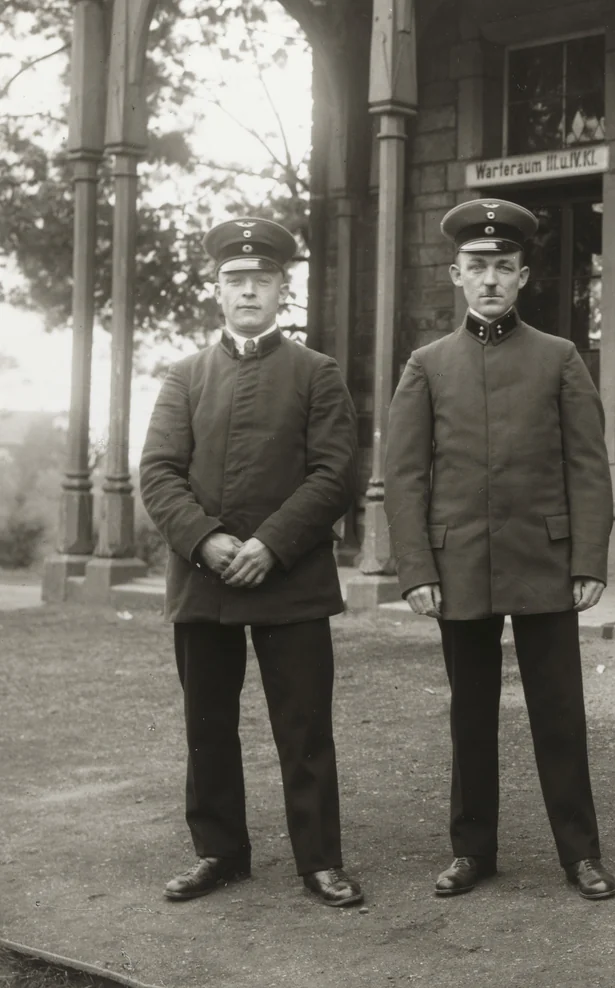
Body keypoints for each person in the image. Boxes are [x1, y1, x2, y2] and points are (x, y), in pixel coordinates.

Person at [384, 198, 615, 901]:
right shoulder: (427, 366)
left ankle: (580, 854)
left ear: (523, 278)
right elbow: (405, 475)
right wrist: (417, 569)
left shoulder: (560, 358)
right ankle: (471, 851)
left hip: (545, 564)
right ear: (457, 275)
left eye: (504, 267)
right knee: (470, 715)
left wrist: (587, 560)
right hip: (459, 568)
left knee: (560, 713)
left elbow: (587, 465)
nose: (490, 279)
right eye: (477, 267)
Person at [140, 217, 363, 908]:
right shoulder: (184, 377)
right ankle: (218, 852)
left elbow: (336, 473)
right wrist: (205, 540)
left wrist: (271, 543)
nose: (247, 292)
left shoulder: (317, 374)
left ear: (280, 290)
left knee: (303, 726)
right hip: (203, 581)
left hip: (289, 578)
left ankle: (320, 860)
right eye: (235, 281)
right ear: (217, 291)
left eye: (260, 281)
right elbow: (158, 471)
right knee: (207, 724)